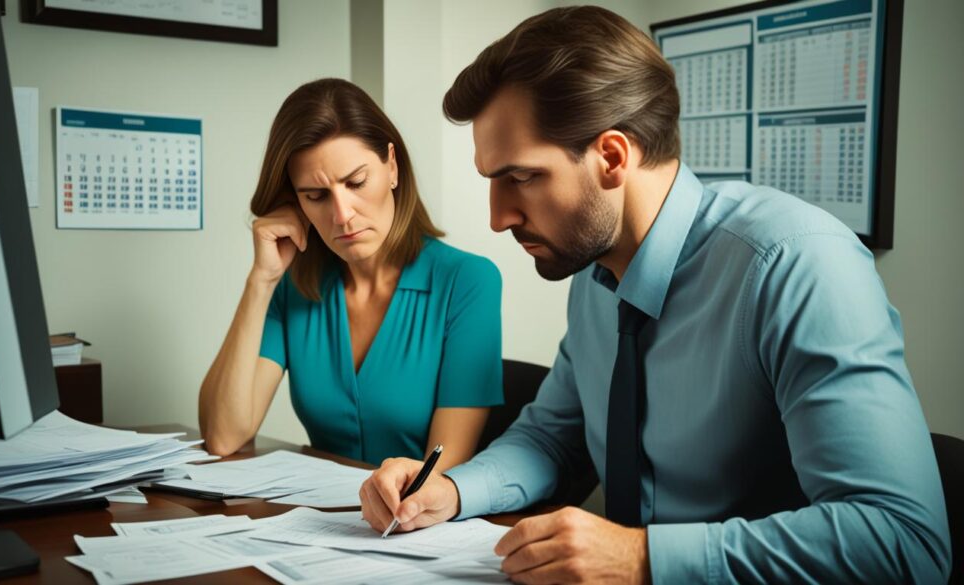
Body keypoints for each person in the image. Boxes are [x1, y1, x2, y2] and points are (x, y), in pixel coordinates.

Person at [359, 6, 951, 584]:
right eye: (492, 180)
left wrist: (642, 559)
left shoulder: (796, 264)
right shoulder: (595, 279)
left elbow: (902, 539)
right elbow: (551, 438)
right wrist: (452, 490)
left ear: (612, 157)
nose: (498, 217)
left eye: (522, 177)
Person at [199, 78, 504, 472]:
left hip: (416, 523)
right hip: (317, 520)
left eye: (356, 183)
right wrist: (261, 280)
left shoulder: (468, 281)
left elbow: (438, 474)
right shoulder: (293, 287)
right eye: (316, 195)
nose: (342, 215)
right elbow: (224, 437)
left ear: (392, 166)